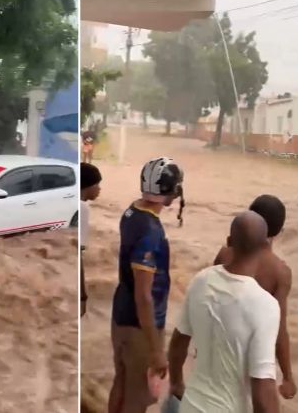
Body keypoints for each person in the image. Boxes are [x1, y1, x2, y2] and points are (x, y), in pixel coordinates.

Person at [167, 211, 281, 413]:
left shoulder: (201, 280)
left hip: (190, 406)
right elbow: (262, 387)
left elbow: (177, 343)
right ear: (265, 247)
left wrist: (176, 384)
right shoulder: (266, 306)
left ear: (229, 241)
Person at [108, 157, 185, 413]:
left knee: (121, 381)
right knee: (138, 399)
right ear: (172, 193)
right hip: (139, 326)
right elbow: (144, 295)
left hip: (120, 315)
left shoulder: (131, 212)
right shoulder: (151, 230)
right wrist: (155, 349)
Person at [211, 194, 296, 399]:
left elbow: (211, 301)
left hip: (219, 351)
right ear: (279, 231)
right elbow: (279, 329)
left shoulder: (225, 254)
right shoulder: (280, 272)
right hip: (253, 360)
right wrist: (288, 376)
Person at [80, 163, 102, 317]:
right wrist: (82, 295)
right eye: (97, 184)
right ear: (87, 186)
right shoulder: (82, 208)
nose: (100, 189)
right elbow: (77, 255)